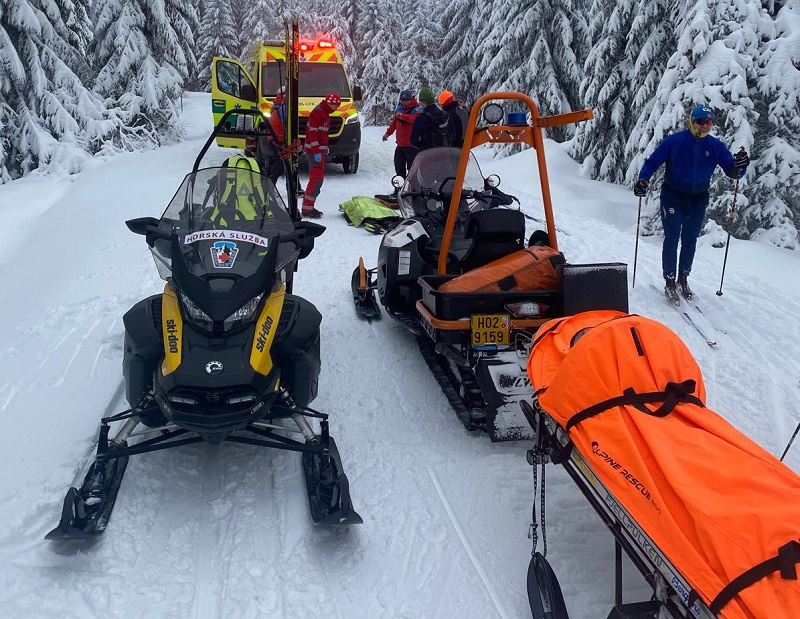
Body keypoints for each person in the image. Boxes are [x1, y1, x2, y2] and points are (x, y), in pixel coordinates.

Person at [634, 105, 749, 302]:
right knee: (671, 238)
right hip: (673, 196)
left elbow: (732, 170)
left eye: (709, 123)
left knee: (690, 240)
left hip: (698, 199)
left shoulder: (714, 146)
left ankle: (683, 279)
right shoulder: (675, 141)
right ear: (692, 122)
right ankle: (670, 282)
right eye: (700, 122)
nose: (705, 126)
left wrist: (741, 166)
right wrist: (643, 180)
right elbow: (652, 162)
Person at [301, 92, 341, 218]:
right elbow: (312, 133)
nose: (337, 108)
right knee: (316, 180)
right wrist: (317, 150)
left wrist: (324, 148)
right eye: (336, 106)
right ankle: (307, 209)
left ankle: (309, 206)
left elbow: (320, 133)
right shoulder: (318, 112)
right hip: (315, 152)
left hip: (318, 151)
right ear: (330, 104)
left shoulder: (324, 112)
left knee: (318, 180)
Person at [383, 89, 423, 179]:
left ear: (410, 99)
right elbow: (394, 123)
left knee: (412, 170)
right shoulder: (400, 109)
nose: (403, 102)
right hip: (400, 145)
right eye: (402, 100)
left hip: (412, 146)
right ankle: (399, 187)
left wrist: (403, 116)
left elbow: (416, 119)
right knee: (399, 168)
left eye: (405, 100)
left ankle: (412, 189)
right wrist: (387, 133)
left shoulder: (416, 109)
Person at [410, 87, 456, 152]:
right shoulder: (446, 116)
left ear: (422, 102)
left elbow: (413, 140)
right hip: (445, 155)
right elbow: (453, 136)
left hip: (427, 156)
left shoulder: (421, 118)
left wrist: (422, 146)